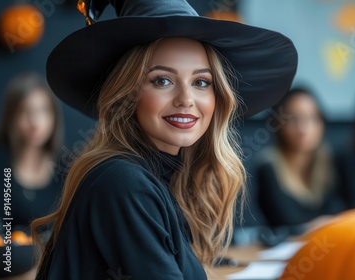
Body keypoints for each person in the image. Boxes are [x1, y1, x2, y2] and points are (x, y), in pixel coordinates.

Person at [31, 0, 297, 279]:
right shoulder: (124, 182)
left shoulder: (157, 180)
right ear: (127, 94)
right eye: (162, 80)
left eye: (201, 82)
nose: (186, 99)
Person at [0, 73, 63, 280]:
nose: (36, 121)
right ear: (12, 116)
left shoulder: (67, 168)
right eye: (26, 112)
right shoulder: (0, 163)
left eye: (43, 111)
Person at [253, 87, 344, 235]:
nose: (303, 128)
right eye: (293, 119)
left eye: (311, 118)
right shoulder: (268, 165)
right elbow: (286, 222)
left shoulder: (332, 161)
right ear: (278, 123)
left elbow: (344, 213)